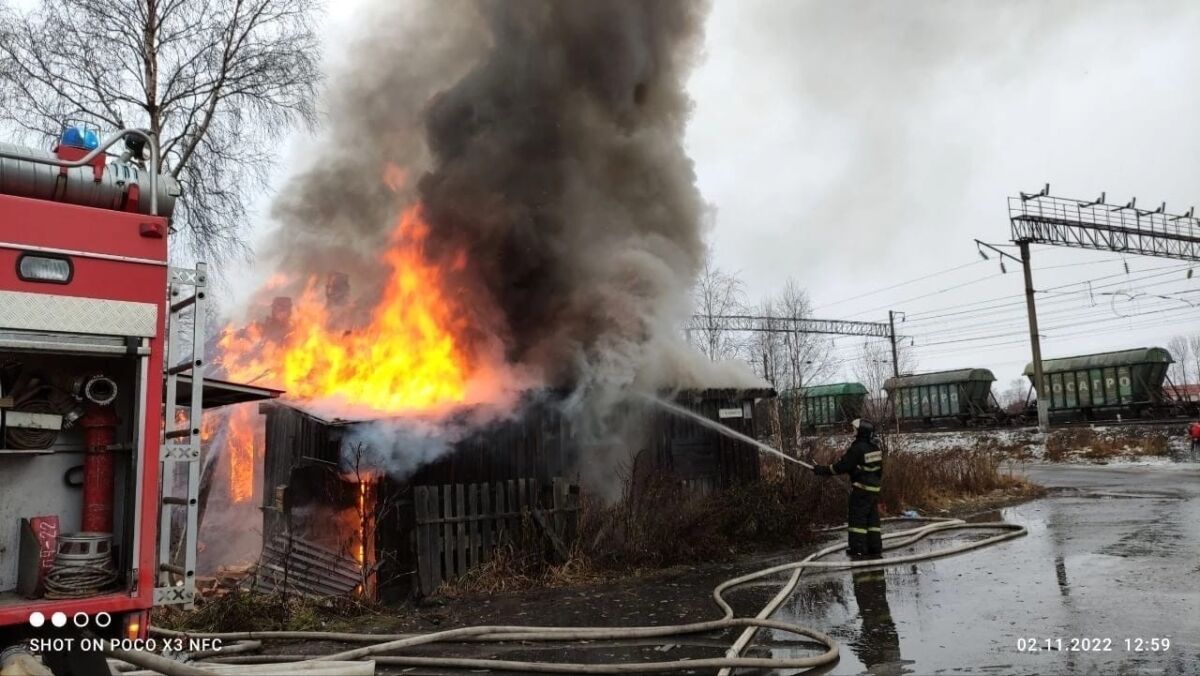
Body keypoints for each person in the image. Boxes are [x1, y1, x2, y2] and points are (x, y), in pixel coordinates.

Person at [813, 418, 883, 558]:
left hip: (861, 491)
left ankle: (858, 549)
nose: (853, 432)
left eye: (855, 429)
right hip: (873, 491)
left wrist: (821, 470)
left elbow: (841, 467)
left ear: (861, 432)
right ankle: (874, 547)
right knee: (872, 520)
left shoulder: (857, 449)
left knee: (858, 520)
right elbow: (879, 471)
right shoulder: (875, 448)